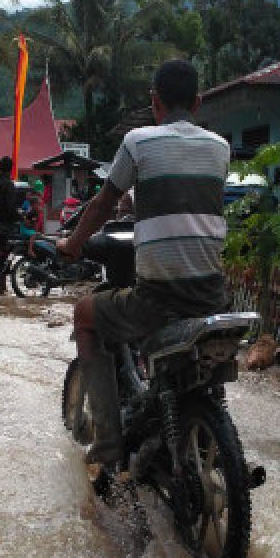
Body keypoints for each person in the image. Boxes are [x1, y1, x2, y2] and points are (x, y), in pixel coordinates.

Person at [58, 60, 230, 464]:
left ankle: (107, 442)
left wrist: (73, 243)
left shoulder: (138, 142)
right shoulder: (220, 147)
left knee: (84, 315)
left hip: (159, 298)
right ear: (198, 102)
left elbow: (102, 204)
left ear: (155, 102)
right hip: (213, 296)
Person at [0, 155, 19, 295]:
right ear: (10, 169)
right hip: (7, 227)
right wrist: (20, 217)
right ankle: (3, 287)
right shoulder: (9, 185)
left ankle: (1, 287)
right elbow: (10, 207)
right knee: (6, 257)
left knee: (0, 258)